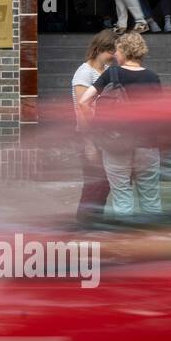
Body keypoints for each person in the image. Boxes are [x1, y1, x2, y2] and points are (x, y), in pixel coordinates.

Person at [77, 31, 163, 216]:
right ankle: (153, 240)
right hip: (147, 144)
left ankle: (126, 239)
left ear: (124, 51)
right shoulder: (153, 77)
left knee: (122, 195)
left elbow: (84, 101)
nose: (115, 54)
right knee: (151, 198)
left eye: (117, 50)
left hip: (117, 144)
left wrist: (95, 126)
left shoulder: (112, 74)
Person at [71, 30, 117, 222]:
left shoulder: (105, 71)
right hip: (89, 136)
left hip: (104, 135)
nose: (114, 55)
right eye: (112, 51)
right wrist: (90, 143)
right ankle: (83, 225)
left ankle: (93, 224)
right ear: (100, 49)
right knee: (93, 185)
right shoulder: (84, 73)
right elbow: (81, 109)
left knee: (103, 184)